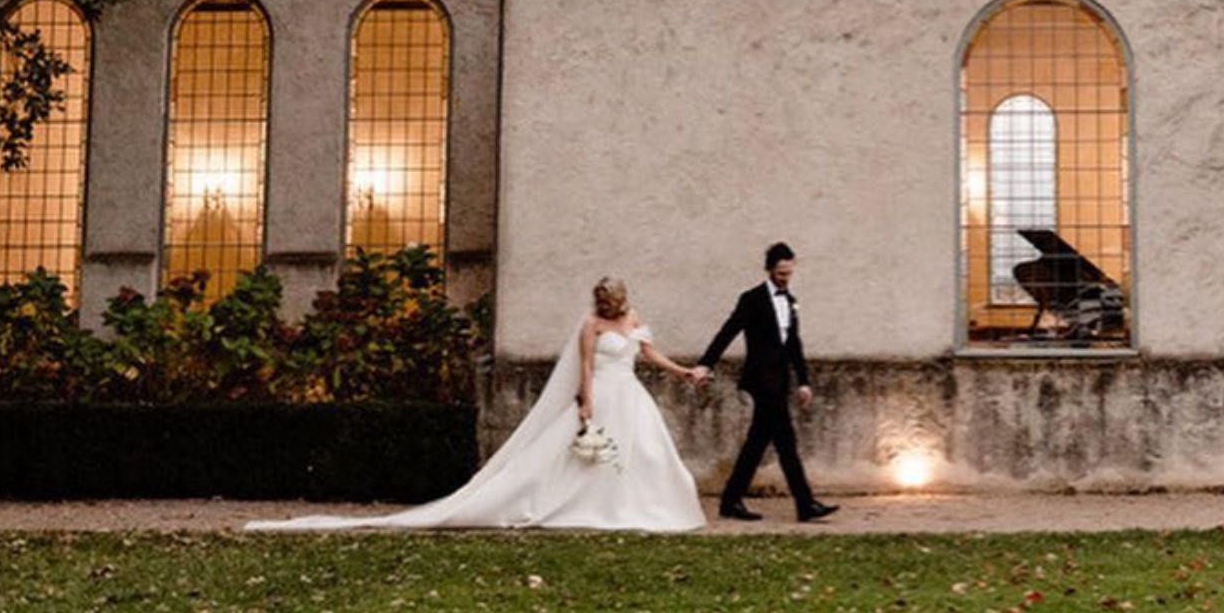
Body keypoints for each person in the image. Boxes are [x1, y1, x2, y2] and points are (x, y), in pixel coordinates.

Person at [246, 277, 706, 532]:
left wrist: (683, 372)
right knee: (591, 458)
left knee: (645, 453)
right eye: (606, 303)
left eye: (614, 304)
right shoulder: (590, 326)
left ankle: (637, 506)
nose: (611, 309)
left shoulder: (633, 321)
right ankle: (593, 505)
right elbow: (586, 366)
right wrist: (585, 403)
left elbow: (649, 354)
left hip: (631, 397)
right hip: (603, 395)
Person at [693, 241, 837, 522]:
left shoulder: (790, 301)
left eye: (789, 274)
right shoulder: (752, 299)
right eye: (781, 274)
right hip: (762, 382)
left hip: (780, 382)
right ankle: (805, 504)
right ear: (770, 270)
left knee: (757, 444)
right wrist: (706, 363)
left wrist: (803, 382)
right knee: (786, 443)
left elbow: (793, 344)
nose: (786, 279)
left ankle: (731, 501)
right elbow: (728, 331)